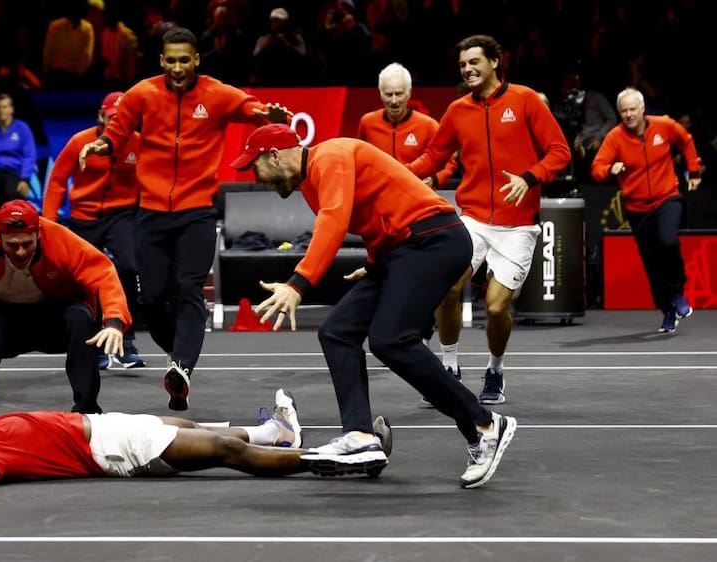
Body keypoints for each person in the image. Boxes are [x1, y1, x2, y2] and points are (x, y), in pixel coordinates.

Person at [232, 124, 517, 489]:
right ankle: (361, 437)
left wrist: (298, 284)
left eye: (254, 167)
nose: (256, 179)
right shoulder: (311, 182)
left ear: (273, 156)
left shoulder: (329, 156)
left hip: (434, 239)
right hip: (401, 251)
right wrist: (374, 262)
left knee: (391, 339)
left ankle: (484, 425)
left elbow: (334, 220)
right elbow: (374, 213)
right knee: (337, 332)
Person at [77, 27, 291, 412]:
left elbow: (250, 108)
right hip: (152, 213)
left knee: (188, 288)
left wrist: (266, 116)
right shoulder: (143, 93)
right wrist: (103, 144)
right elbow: (119, 129)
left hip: (196, 213)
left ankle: (182, 369)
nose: (177, 67)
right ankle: (179, 353)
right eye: (170, 60)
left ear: (196, 60)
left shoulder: (217, 93)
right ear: (162, 61)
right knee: (153, 299)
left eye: (184, 60)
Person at [406, 35, 571, 405]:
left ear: (495, 62)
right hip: (475, 219)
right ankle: (449, 369)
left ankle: (495, 369)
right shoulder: (457, 110)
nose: (467, 69)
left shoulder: (525, 100)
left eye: (475, 62)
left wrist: (530, 177)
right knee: (445, 286)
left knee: (496, 307)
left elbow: (560, 151)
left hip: (518, 224)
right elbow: (433, 156)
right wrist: (400, 173)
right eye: (463, 64)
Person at [0, 389, 389, 491]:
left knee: (195, 430)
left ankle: (278, 431)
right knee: (226, 455)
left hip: (109, 428)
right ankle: (336, 457)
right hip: (115, 451)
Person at [0, 200, 130, 428]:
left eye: (27, 243)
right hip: (8, 320)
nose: (20, 251)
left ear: (38, 232)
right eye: (12, 245)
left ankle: (88, 414)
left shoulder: (58, 237)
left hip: (55, 315)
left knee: (80, 319)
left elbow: (103, 272)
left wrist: (114, 321)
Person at [43, 91, 144, 370]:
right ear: (101, 116)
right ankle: (93, 343)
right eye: (112, 118)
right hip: (83, 216)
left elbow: (153, 181)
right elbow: (57, 181)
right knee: (85, 279)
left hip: (120, 215)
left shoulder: (138, 143)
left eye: (122, 119)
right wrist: (49, 223)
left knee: (128, 267)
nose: (116, 124)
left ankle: (125, 340)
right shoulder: (80, 141)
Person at [590, 88, 700, 333]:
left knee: (668, 241)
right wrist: (610, 170)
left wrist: (693, 170)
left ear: (642, 109)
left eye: (632, 109)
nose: (628, 115)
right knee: (652, 263)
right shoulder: (615, 137)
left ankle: (679, 295)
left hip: (666, 197)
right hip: (637, 208)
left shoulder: (663, 125)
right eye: (624, 111)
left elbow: (686, 140)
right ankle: (667, 309)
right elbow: (597, 167)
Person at [358, 63, 457, 189]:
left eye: (399, 94)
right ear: (380, 93)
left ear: (409, 93)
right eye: (389, 94)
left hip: (416, 195)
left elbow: (449, 162)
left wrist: (433, 180)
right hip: (379, 194)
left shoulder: (429, 125)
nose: (394, 101)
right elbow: (361, 160)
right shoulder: (367, 123)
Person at [0, 93, 37, 208]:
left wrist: (25, 180)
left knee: (11, 189)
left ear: (11, 109)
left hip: (15, 173)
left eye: (5, 107)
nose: (2, 111)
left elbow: (29, 156)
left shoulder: (22, 128)